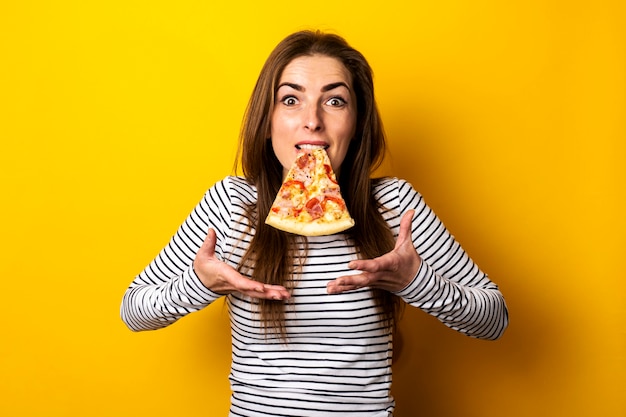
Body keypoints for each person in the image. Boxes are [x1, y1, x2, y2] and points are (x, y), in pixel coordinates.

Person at [121, 30, 508, 417]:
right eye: (291, 100)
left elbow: (494, 319)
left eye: (335, 101)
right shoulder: (232, 204)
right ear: (268, 120)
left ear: (357, 123)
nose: (312, 122)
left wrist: (416, 282)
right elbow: (133, 310)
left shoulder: (393, 205)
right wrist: (200, 283)